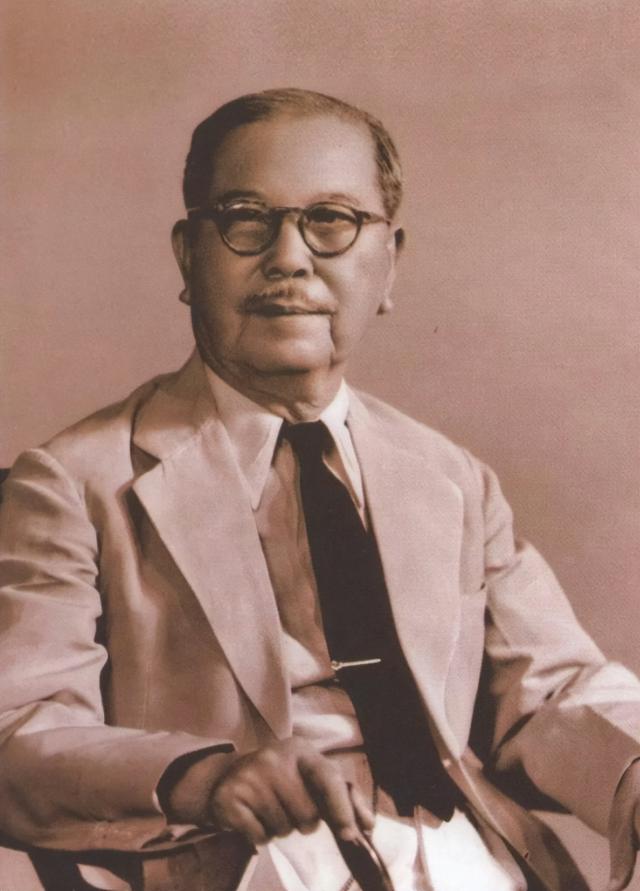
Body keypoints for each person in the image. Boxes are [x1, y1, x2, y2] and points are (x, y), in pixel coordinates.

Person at [0, 88, 639, 891]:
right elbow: (19, 729)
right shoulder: (74, 482)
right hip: (249, 860)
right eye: (245, 218)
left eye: (331, 220)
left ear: (389, 262)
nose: (290, 257)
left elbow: (551, 689)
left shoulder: (449, 477)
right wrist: (202, 776)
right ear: (188, 256)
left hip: (461, 855)